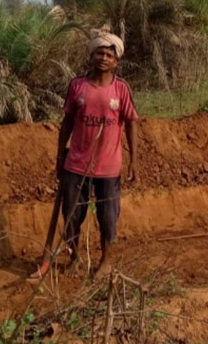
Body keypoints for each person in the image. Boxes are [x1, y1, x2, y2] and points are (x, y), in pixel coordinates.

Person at [35, 27, 139, 279]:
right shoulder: (77, 86)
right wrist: (60, 157)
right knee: (72, 215)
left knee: (108, 217)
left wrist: (134, 160)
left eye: (109, 55)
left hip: (109, 168)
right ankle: (75, 257)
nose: (104, 58)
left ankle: (106, 262)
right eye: (100, 53)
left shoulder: (121, 89)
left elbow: (132, 123)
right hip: (76, 164)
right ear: (92, 55)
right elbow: (67, 122)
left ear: (117, 61)